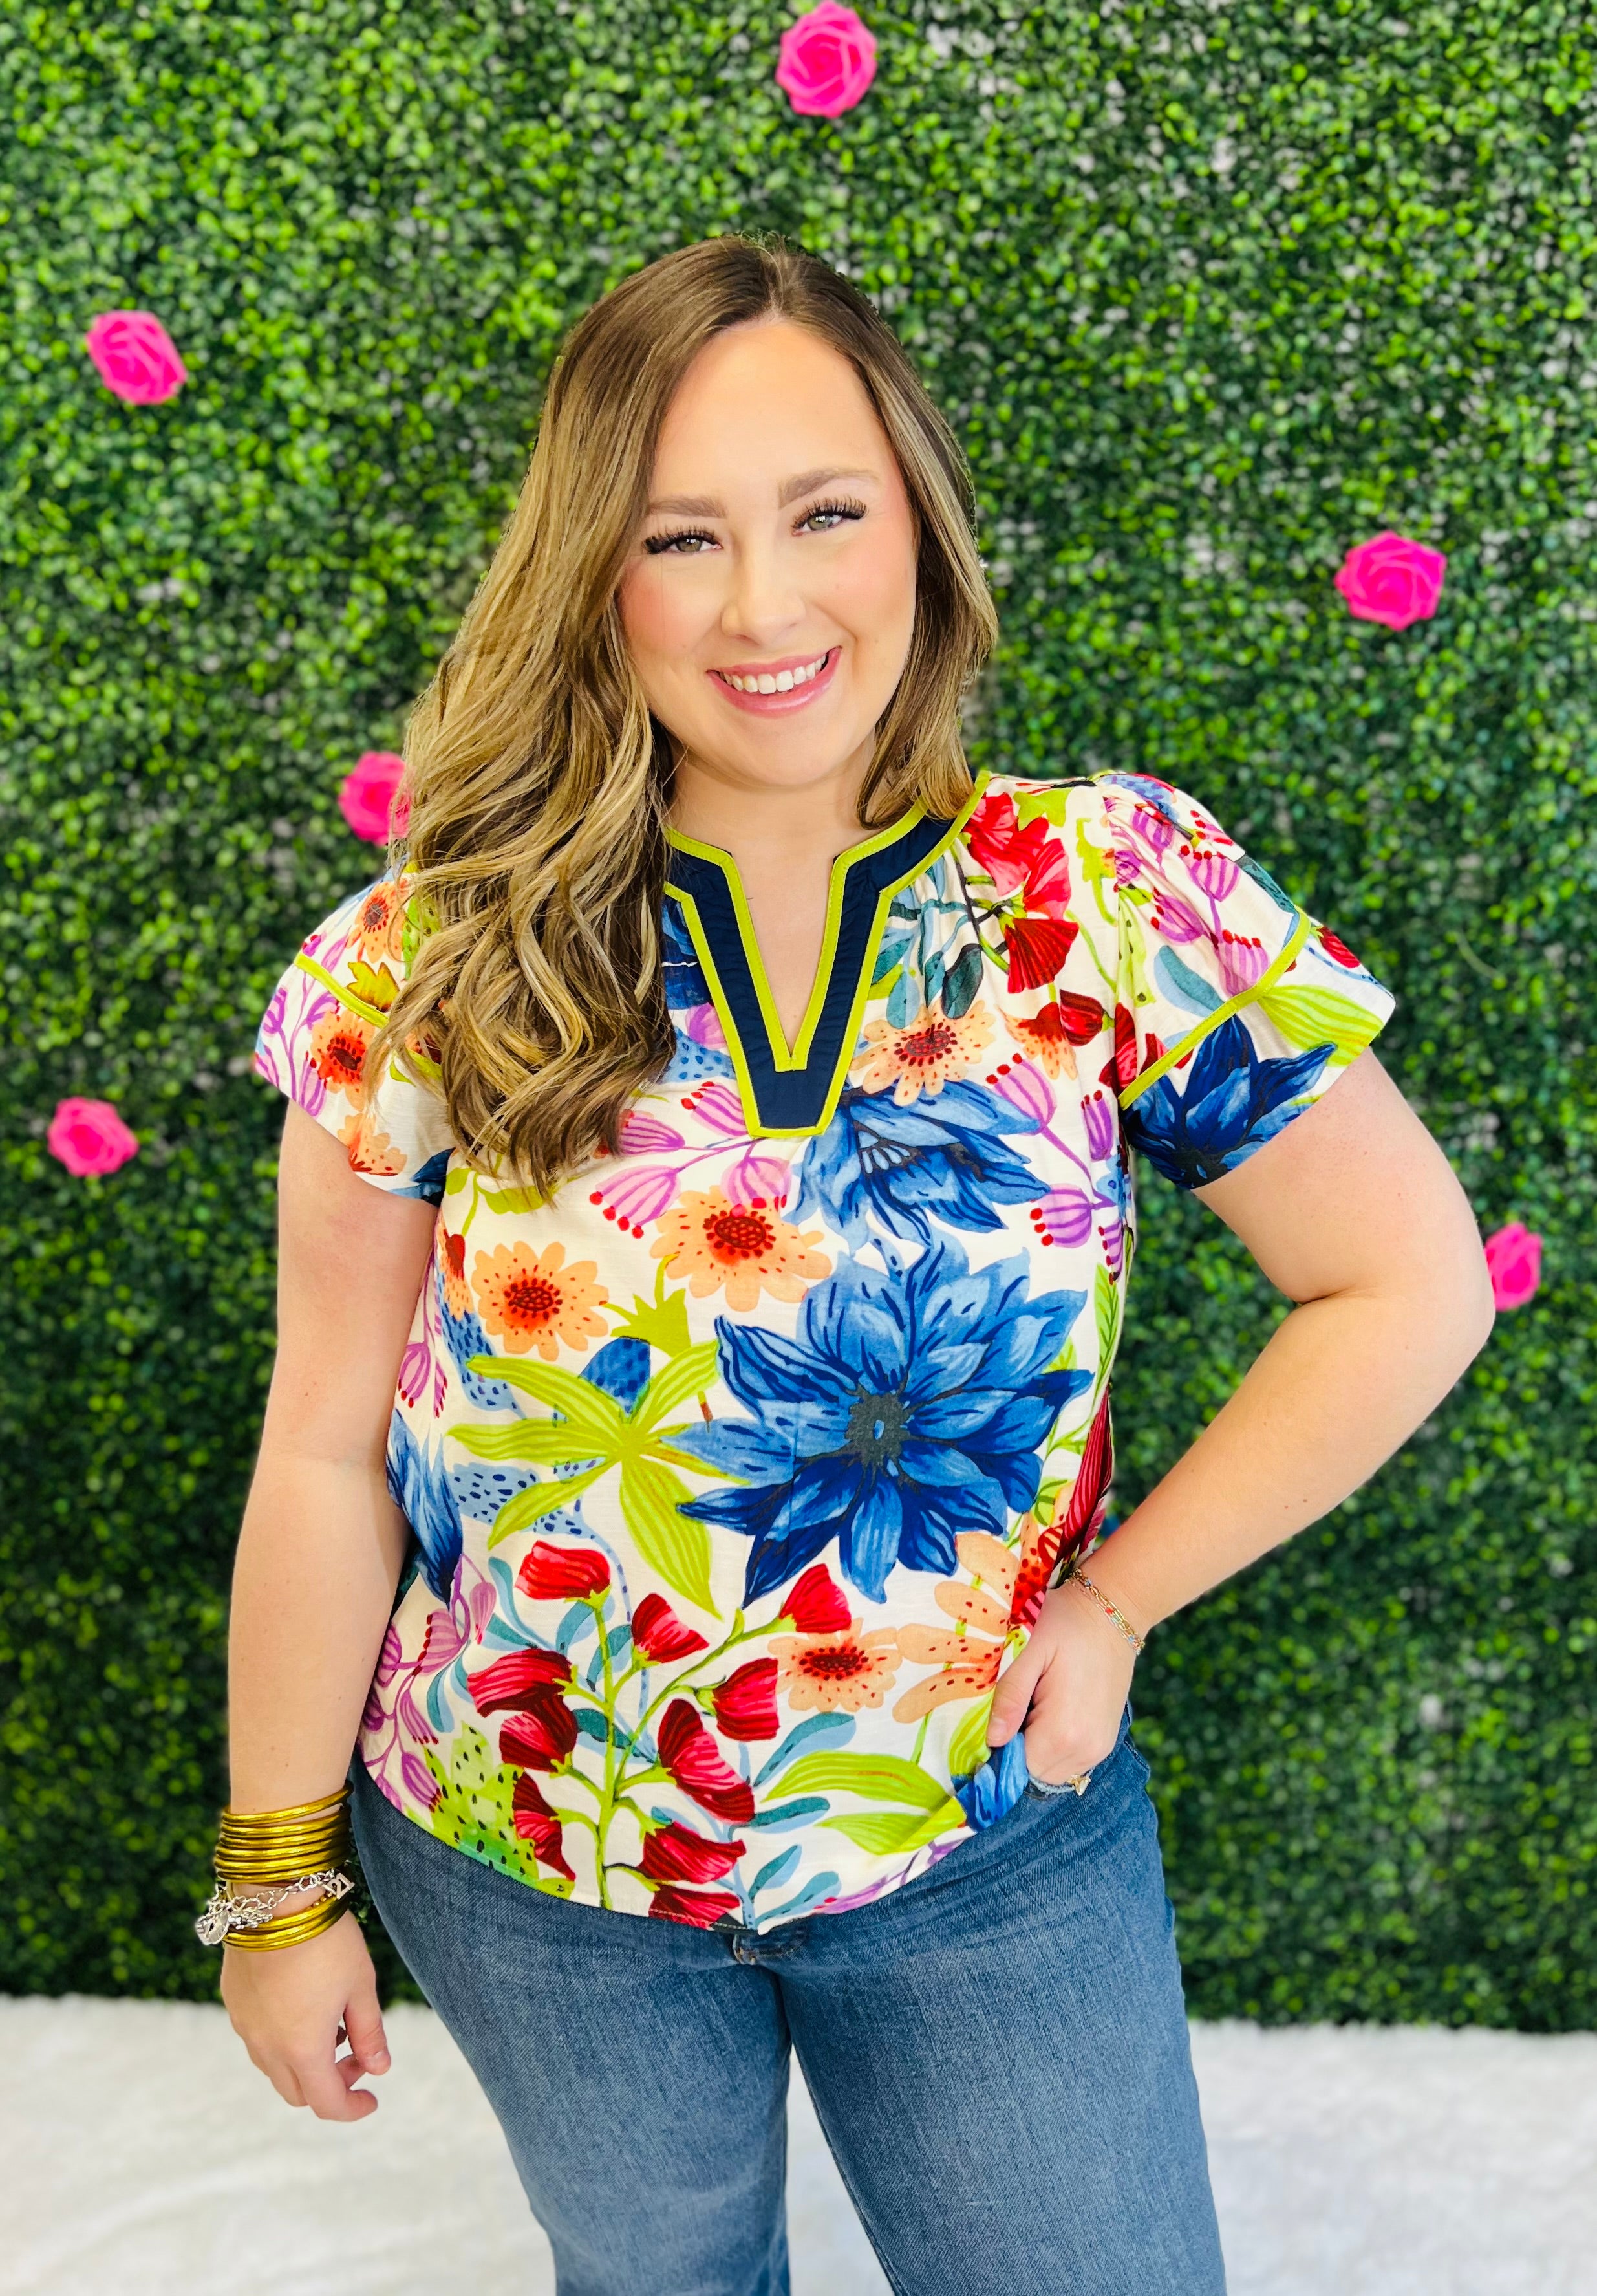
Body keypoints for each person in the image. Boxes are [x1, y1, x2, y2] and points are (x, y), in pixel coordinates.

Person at [217, 234, 1495, 2296]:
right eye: (681, 537)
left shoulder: (1099, 899)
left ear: (919, 519)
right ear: (593, 573)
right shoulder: (430, 961)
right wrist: (276, 1886)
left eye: (826, 513)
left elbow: (1407, 1283)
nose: (764, 605)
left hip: (985, 1836)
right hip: (528, 1863)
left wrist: (1118, 1602)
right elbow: (319, 1451)